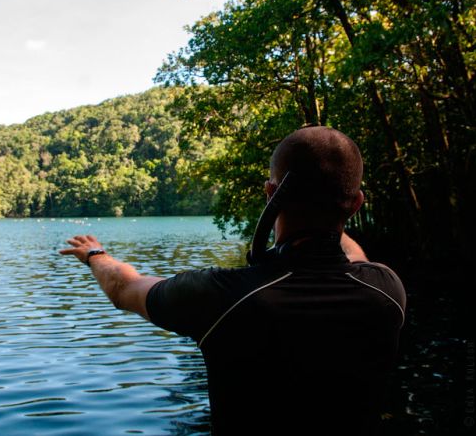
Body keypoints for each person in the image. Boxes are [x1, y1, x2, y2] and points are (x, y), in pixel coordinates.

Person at [59, 126, 406, 435]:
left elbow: (124, 288)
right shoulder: (387, 292)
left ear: (271, 193)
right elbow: (357, 258)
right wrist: (330, 209)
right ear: (356, 204)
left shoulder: (223, 296)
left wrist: (96, 254)